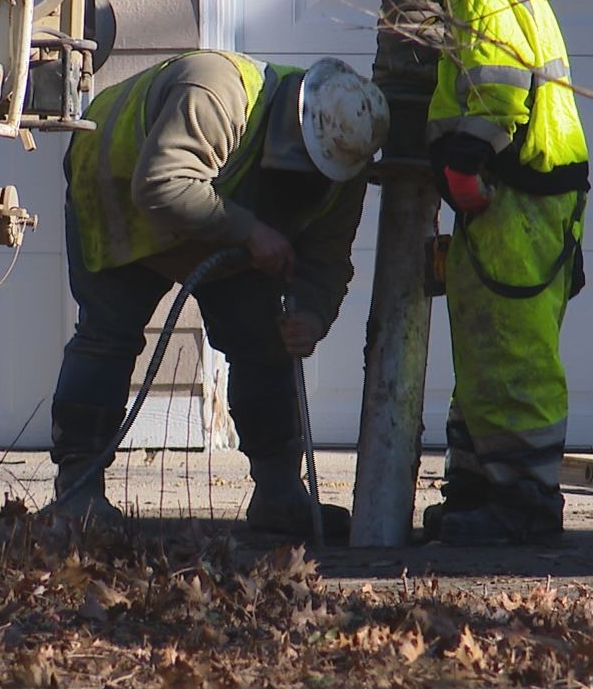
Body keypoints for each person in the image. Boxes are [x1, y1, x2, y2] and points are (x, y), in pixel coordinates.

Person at [50, 51, 390, 537]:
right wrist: (250, 232)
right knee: (107, 336)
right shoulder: (217, 93)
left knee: (262, 341)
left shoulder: (344, 165)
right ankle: (77, 495)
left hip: (223, 212)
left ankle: (278, 494)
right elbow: (164, 184)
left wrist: (312, 316)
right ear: (291, 125)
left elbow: (327, 257)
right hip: (118, 192)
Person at [381, 0, 590, 546]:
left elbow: (498, 80)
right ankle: (477, 488)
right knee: (481, 345)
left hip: (515, 197)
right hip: (528, 198)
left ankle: (525, 502)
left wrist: (466, 162)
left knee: (509, 350)